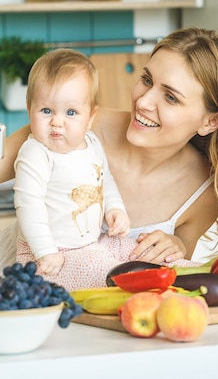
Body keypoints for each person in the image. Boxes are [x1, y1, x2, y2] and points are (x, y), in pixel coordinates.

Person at [0, 27, 218, 295]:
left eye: (170, 97)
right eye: (146, 80)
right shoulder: (76, 125)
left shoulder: (204, 192)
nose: (143, 101)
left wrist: (174, 246)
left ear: (210, 121)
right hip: (17, 296)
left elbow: (166, 274)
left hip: (100, 324)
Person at [13, 48, 131, 285]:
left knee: (135, 250)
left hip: (91, 243)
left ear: (90, 117)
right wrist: (45, 251)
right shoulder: (36, 153)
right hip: (50, 254)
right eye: (46, 111)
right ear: (29, 110)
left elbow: (104, 180)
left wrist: (115, 208)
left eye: (71, 112)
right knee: (107, 273)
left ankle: (175, 272)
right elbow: (29, 206)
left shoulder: (92, 143)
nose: (57, 121)